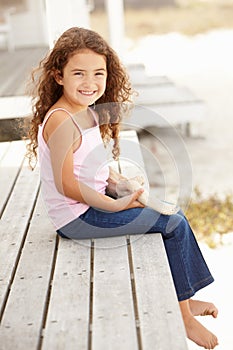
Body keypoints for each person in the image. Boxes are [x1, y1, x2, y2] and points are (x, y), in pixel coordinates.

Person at [27, 27, 218, 349]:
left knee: (170, 212)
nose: (90, 83)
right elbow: (66, 184)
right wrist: (114, 205)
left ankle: (183, 295)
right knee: (173, 223)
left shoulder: (82, 113)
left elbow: (85, 167)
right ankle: (183, 314)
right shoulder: (61, 120)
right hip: (78, 218)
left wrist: (117, 184)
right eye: (79, 74)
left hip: (93, 204)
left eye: (98, 73)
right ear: (58, 76)